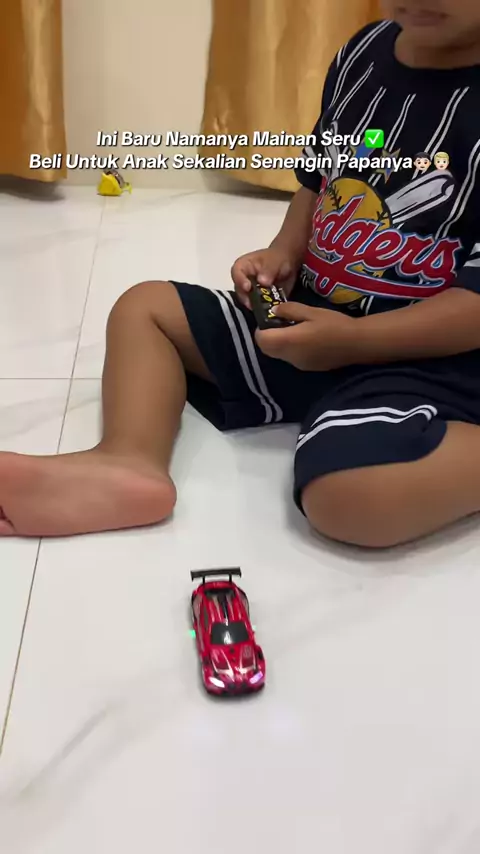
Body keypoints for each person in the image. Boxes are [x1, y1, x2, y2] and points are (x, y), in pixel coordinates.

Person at [1, 0, 480, 547]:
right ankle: (127, 460)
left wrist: (355, 342)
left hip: (435, 362)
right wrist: (284, 252)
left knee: (347, 498)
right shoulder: (363, 51)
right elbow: (319, 178)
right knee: (145, 309)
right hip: (315, 323)